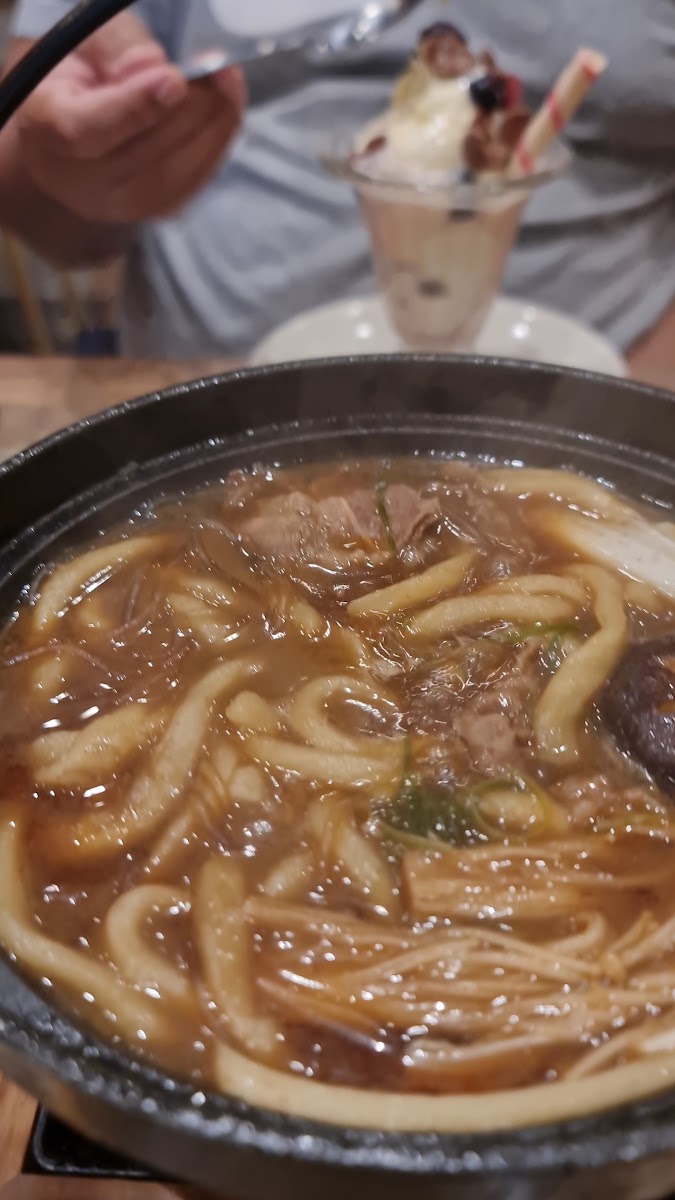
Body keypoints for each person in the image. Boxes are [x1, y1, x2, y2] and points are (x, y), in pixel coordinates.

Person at [0, 0, 673, 367]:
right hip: (200, 395)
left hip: (592, 386)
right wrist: (71, 166)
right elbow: (22, 158)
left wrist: (633, 408)